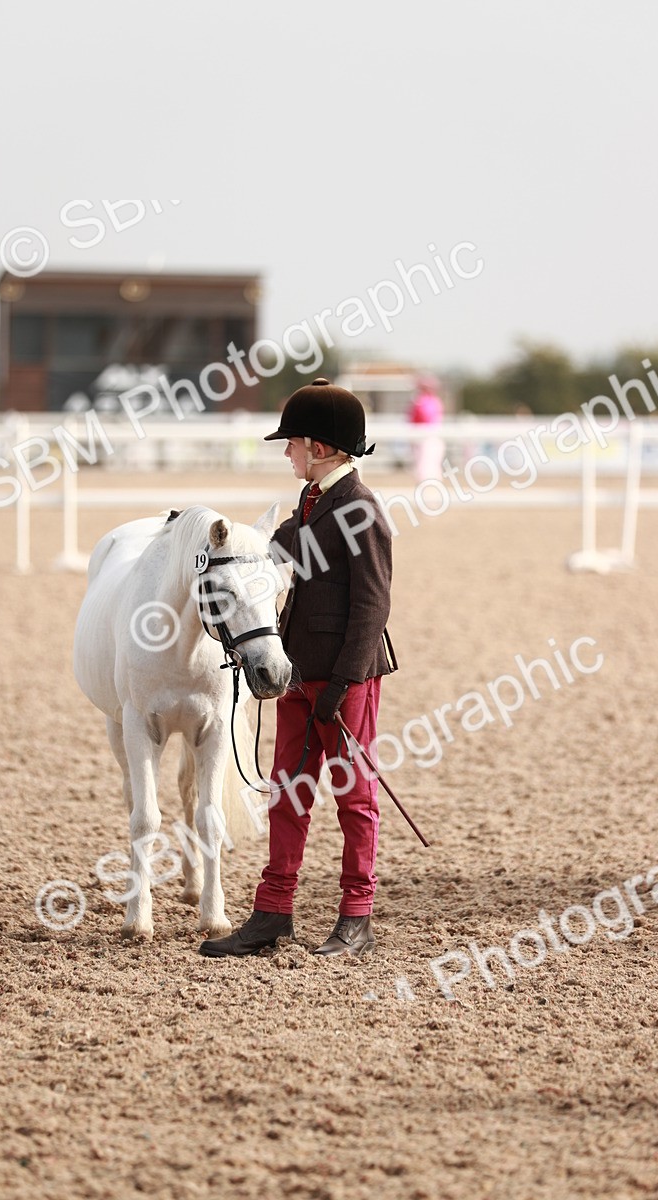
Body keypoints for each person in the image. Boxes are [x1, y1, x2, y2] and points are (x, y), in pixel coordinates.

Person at [200, 377, 398, 960]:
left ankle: (356, 917)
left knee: (354, 797)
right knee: (286, 793)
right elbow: (267, 553)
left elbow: (372, 606)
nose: (285, 451)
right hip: (295, 670)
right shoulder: (308, 505)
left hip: (346, 677)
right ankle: (272, 912)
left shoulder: (362, 510)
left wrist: (342, 683)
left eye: (292, 443)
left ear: (320, 447)